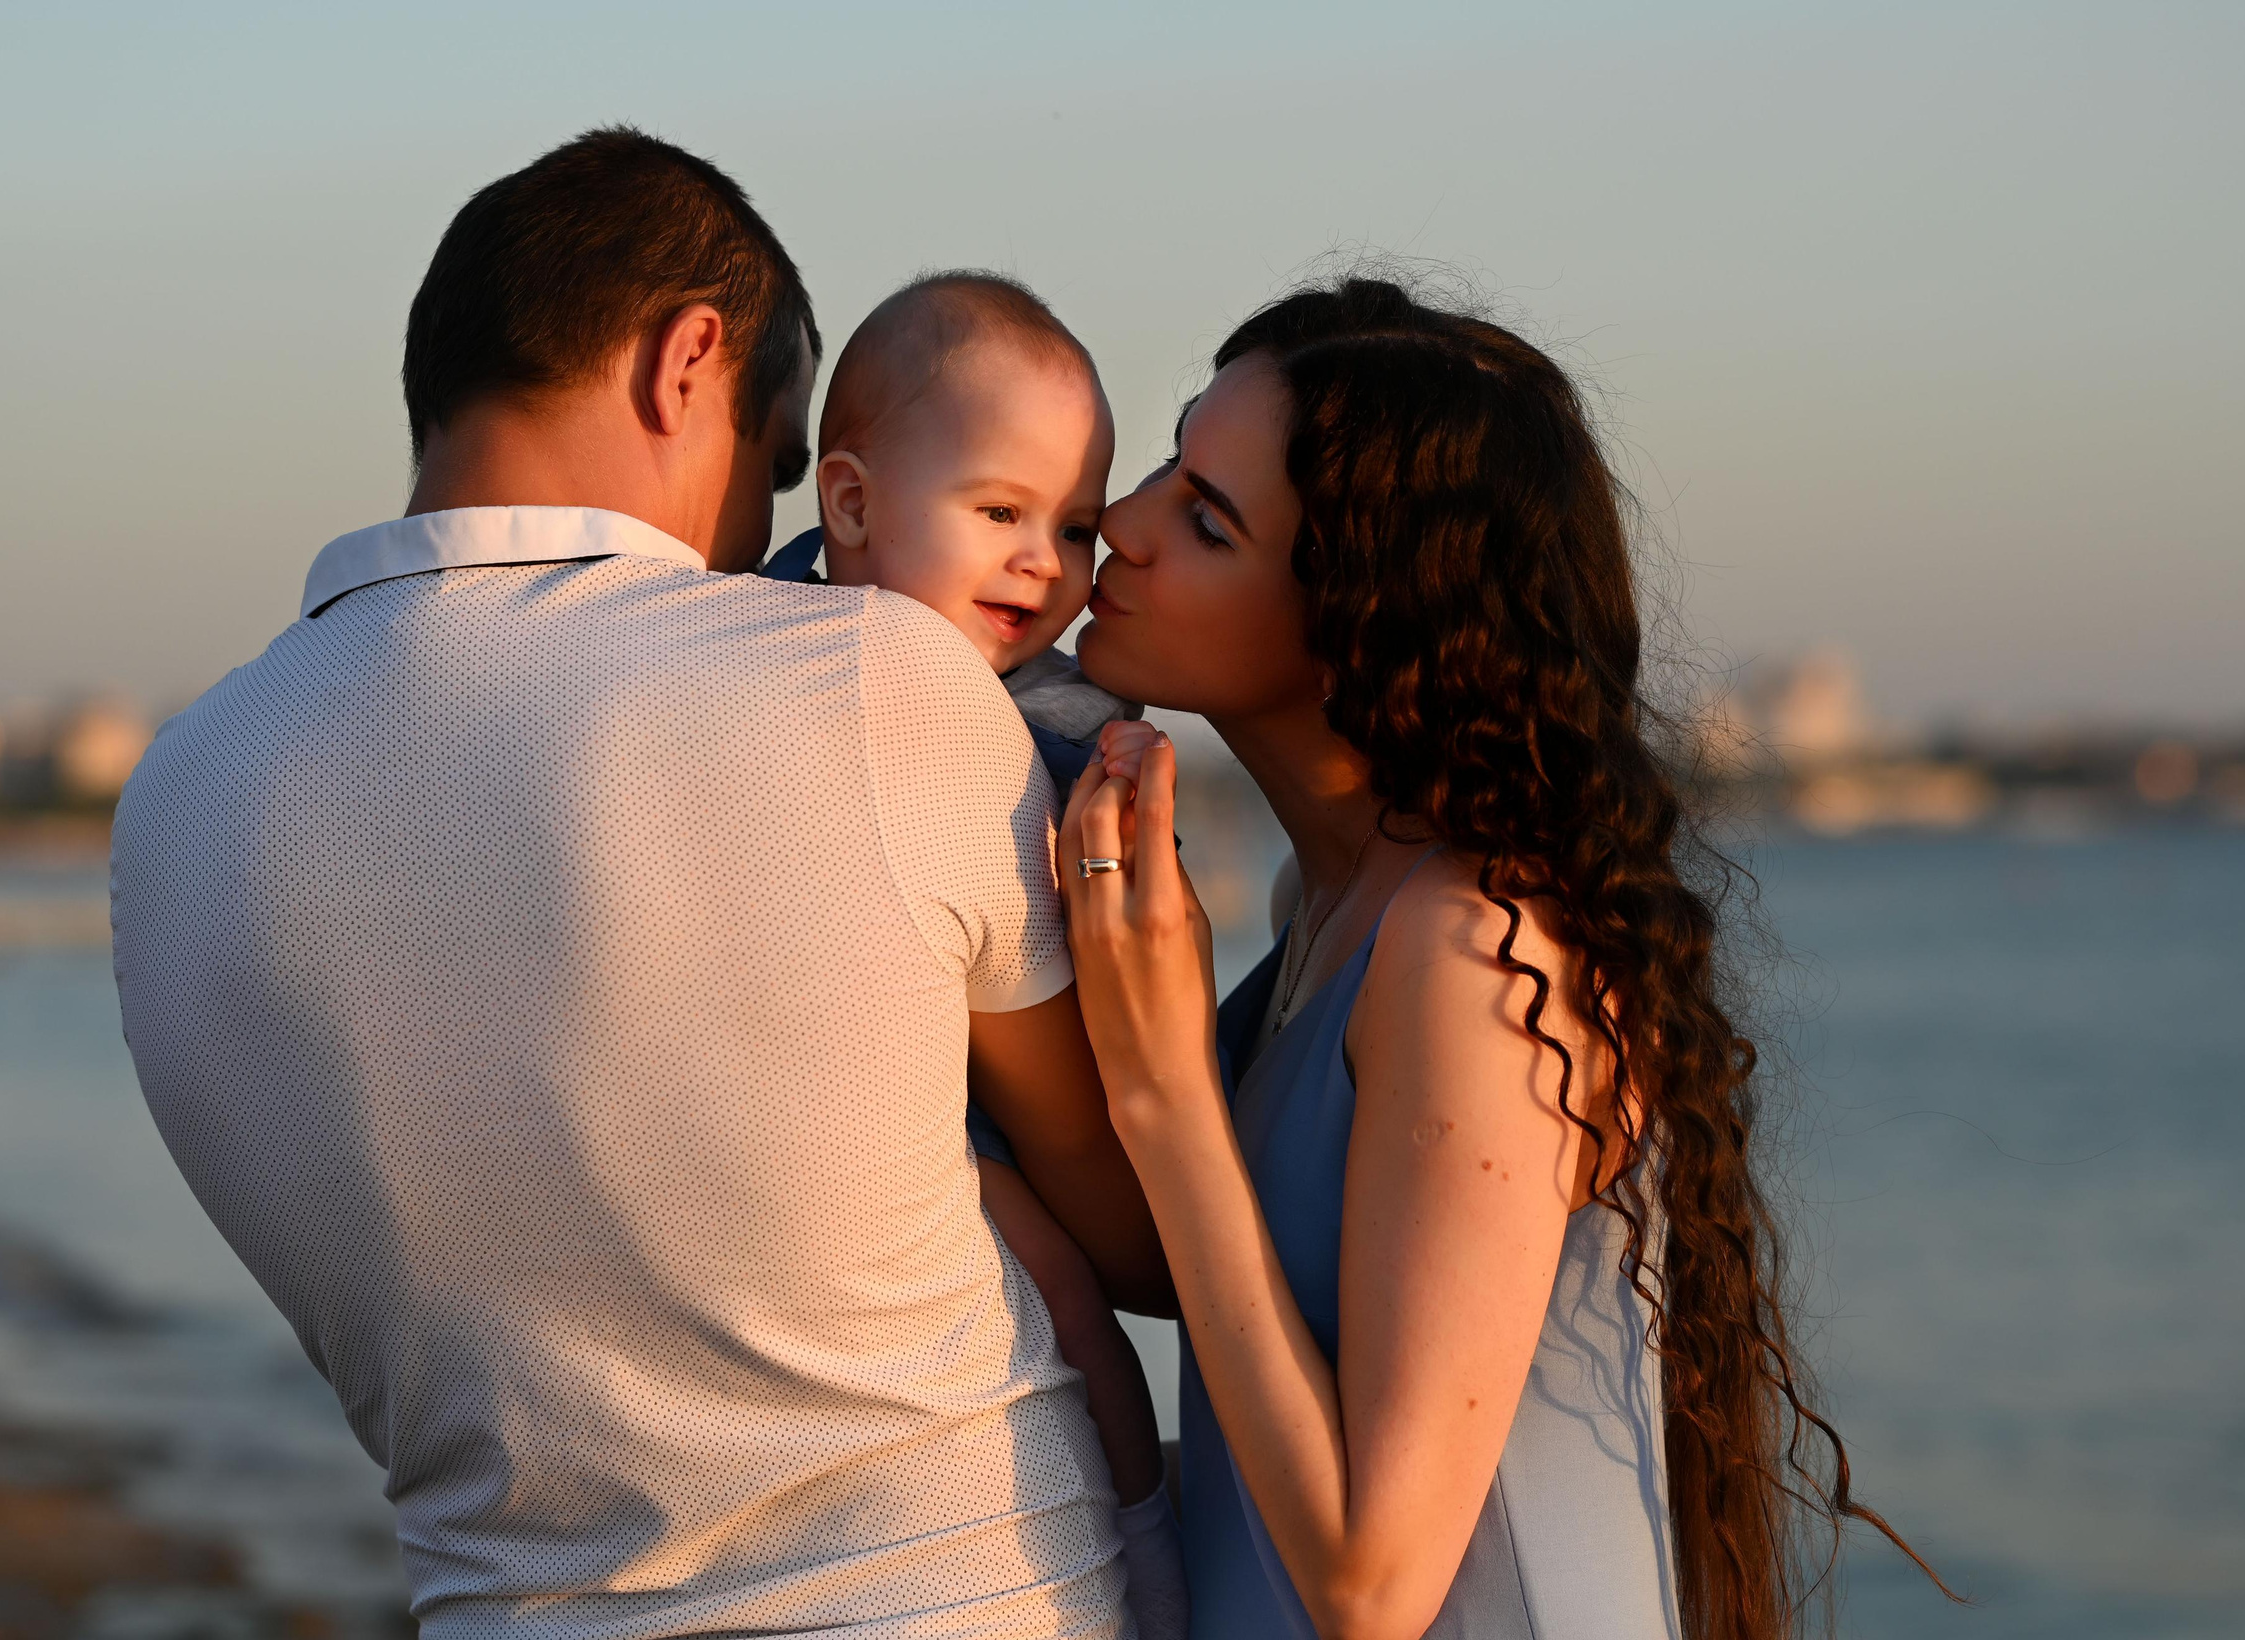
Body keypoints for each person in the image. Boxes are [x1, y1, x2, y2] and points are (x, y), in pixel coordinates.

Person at [111, 127, 1167, 1640]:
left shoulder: (173, 803)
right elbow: (1136, 1235)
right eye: (782, 464)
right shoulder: (874, 683)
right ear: (690, 363)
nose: (769, 538)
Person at [1053, 278, 1941, 1640]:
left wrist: (1166, 1085)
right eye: (1171, 463)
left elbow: (1370, 1580)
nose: (1119, 522)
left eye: (1205, 517)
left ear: (1358, 620)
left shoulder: (1477, 947)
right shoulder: (1330, 907)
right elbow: (1194, 1289)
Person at [761, 269, 1183, 1638]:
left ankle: (1147, 1546)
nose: (1042, 564)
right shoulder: (743, 638)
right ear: (853, 503)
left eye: (1071, 526)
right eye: (999, 512)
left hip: (967, 1093)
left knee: (1073, 1313)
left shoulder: (1055, 719)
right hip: (819, 1082)